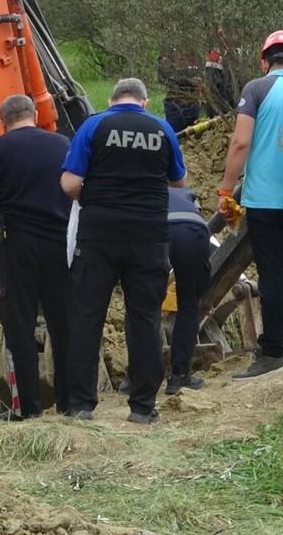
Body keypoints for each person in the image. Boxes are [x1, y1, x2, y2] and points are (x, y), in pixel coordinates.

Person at [60, 77, 187, 424]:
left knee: (87, 316)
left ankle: (81, 405)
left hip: (99, 235)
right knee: (144, 317)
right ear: (144, 102)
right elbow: (179, 181)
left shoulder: (93, 125)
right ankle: (143, 406)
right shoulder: (161, 129)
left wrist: (94, 196)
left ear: (113, 99)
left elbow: (70, 183)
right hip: (148, 235)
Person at [218, 30, 283, 378]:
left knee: (273, 273)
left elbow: (241, 144)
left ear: (264, 61)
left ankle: (271, 350)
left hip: (266, 199)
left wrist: (226, 191)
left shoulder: (256, 89)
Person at [0, 94, 73, 419]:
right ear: (34, 115)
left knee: (20, 327)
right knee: (64, 324)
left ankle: (29, 409)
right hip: (60, 244)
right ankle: (72, 403)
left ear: (4, 121)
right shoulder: (61, 144)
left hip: (16, 245)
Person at [165, 185, 210, 392]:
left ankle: (137, 378)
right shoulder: (186, 191)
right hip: (194, 229)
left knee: (144, 305)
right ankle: (179, 376)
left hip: (157, 227)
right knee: (189, 304)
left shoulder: (143, 187)